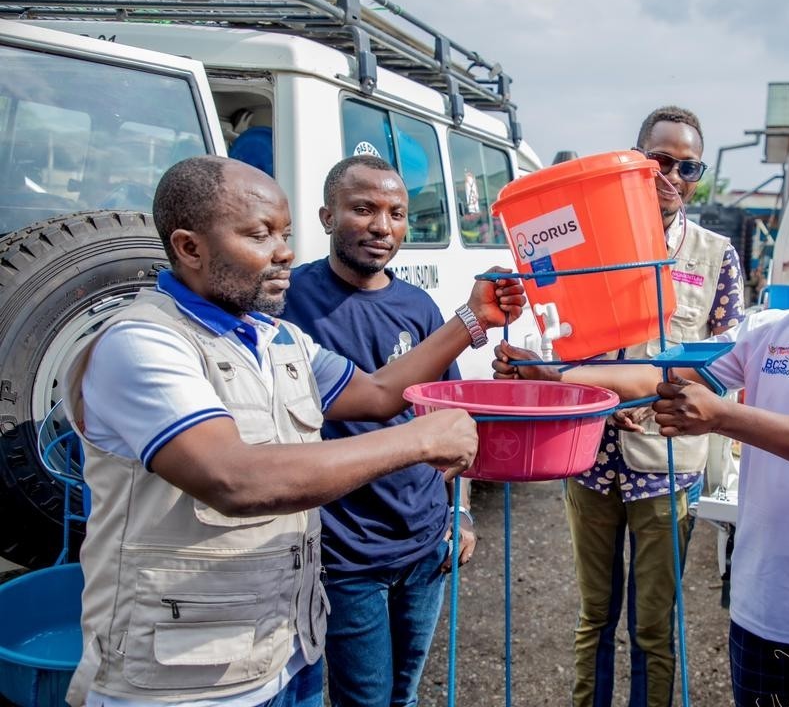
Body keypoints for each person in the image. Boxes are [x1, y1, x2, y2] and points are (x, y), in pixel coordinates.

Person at [61, 155, 524, 707]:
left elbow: (377, 395)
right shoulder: (143, 342)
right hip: (187, 680)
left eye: (285, 233)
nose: (284, 252)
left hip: (287, 650)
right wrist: (421, 440)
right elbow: (234, 479)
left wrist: (472, 321)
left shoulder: (276, 339)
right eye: (259, 235)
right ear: (189, 248)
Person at [496, 177, 789, 706]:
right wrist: (552, 376)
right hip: (764, 615)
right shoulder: (770, 329)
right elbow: (660, 376)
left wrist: (724, 416)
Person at [562, 106, 745, 707]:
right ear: (635, 160)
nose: (672, 176)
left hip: (668, 465)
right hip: (589, 457)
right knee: (594, 618)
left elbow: (724, 363)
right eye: (659, 161)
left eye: (687, 166)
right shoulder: (590, 243)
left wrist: (647, 397)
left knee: (652, 627)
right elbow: (562, 339)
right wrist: (590, 394)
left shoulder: (716, 256)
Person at [282, 154, 476, 707]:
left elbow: (450, 417)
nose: (381, 226)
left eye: (395, 212)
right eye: (363, 208)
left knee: (404, 696)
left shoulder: (418, 307)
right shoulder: (289, 302)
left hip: (423, 546)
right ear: (326, 216)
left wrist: (460, 512)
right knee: (361, 700)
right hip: (344, 555)